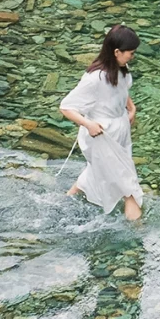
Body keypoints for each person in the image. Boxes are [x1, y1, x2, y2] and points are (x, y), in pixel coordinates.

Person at [59, 24, 144, 220]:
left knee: (97, 173)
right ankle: (142, 237)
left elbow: (121, 89)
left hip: (119, 131)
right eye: (131, 53)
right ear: (116, 52)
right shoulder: (94, 78)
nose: (133, 56)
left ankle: (63, 202)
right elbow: (66, 107)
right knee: (128, 186)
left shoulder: (122, 69)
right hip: (101, 135)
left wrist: (131, 108)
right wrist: (88, 124)